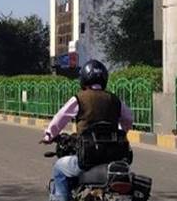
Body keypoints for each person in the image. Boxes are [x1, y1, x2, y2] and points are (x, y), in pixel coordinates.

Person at [41, 60, 133, 201]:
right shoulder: (114, 100)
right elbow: (128, 119)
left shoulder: (80, 98)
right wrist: (120, 132)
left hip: (88, 157)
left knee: (59, 168)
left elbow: (61, 117)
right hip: (113, 157)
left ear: (83, 78)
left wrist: (49, 135)